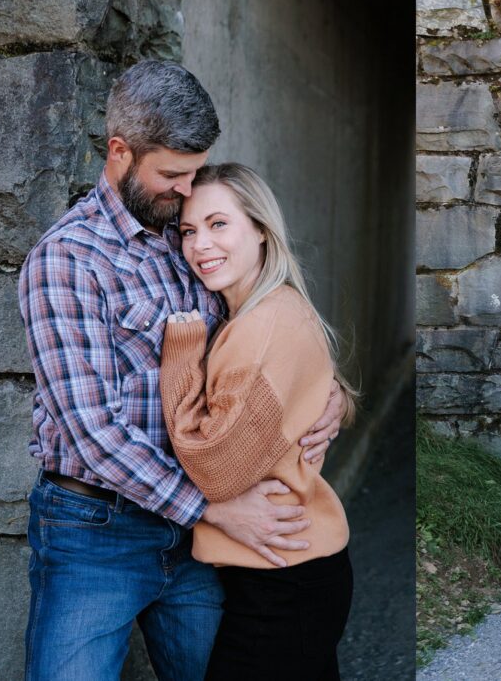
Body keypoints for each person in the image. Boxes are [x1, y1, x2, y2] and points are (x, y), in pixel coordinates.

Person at [17, 61, 343, 680]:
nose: (188, 191)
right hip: (97, 531)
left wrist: (328, 395)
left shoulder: (188, 237)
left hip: (199, 540)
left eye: (194, 173)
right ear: (120, 152)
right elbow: (92, 430)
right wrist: (211, 509)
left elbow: (264, 337)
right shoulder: (66, 260)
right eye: (172, 175)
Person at [161, 163, 358, 678]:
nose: (200, 244)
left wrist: (181, 358)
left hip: (283, 582)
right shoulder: (267, 311)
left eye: (219, 224)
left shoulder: (262, 326)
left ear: (262, 232)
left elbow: (218, 470)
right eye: (188, 230)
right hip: (289, 572)